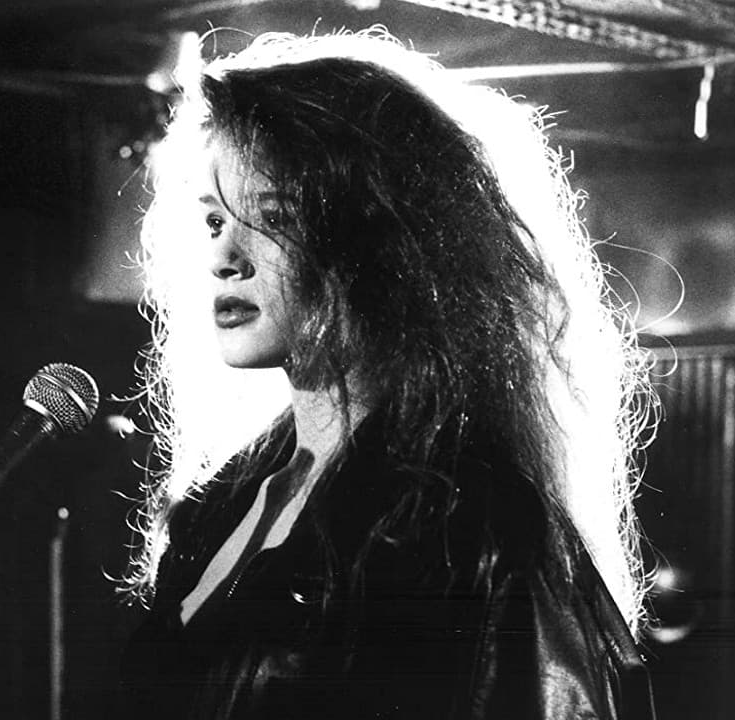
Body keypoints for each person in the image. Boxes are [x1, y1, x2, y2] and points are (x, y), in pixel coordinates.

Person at [118, 28, 657, 720]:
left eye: (273, 216)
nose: (226, 256)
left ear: (376, 242)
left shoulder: (476, 527)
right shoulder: (219, 504)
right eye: (216, 220)